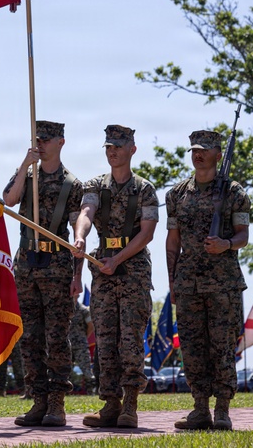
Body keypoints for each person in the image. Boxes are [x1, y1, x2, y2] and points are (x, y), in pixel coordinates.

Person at [73, 125, 158, 429]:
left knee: (130, 338)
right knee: (106, 338)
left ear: (132, 150)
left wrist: (118, 259)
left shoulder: (144, 189)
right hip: (102, 265)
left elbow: (146, 234)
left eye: (119, 146)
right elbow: (86, 212)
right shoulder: (96, 185)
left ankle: (130, 405)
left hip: (132, 268)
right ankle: (110, 404)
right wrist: (80, 237)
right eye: (108, 146)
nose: (113, 151)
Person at [164, 130, 250, 430]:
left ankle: (222, 410)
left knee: (222, 346)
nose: (197, 154)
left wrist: (226, 244)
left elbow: (243, 236)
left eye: (204, 149)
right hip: (188, 282)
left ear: (218, 153)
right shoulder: (176, 194)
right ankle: (200, 408)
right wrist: (173, 281)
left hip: (222, 282)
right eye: (193, 150)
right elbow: (172, 241)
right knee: (192, 347)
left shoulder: (234, 192)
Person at [5, 120, 84, 427]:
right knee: (30, 337)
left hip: (57, 266)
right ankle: (37, 400)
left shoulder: (72, 184)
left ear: (60, 142)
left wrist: (77, 274)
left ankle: (56, 403)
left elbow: (79, 223)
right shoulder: (27, 175)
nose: (40, 143)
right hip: (26, 264)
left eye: (46, 139)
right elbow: (9, 200)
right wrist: (26, 163)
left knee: (56, 336)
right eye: (37, 138)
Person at [68, 298, 94, 394]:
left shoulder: (83, 310)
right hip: (67, 344)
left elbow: (91, 325)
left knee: (86, 370)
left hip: (80, 345)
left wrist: (84, 337)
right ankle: (66, 392)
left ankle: (90, 392)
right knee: (65, 370)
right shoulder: (65, 308)